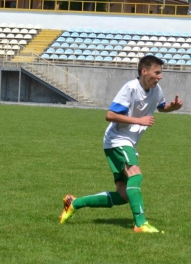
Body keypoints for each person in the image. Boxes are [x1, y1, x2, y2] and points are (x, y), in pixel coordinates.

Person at [59, 55, 183, 233]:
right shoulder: (130, 88)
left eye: (161, 73)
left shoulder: (156, 90)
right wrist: (138, 120)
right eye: (157, 72)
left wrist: (173, 107)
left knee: (124, 195)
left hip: (128, 143)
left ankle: (74, 203)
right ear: (144, 71)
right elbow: (109, 115)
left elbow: (161, 106)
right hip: (117, 140)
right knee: (136, 175)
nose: (160, 76)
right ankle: (140, 224)